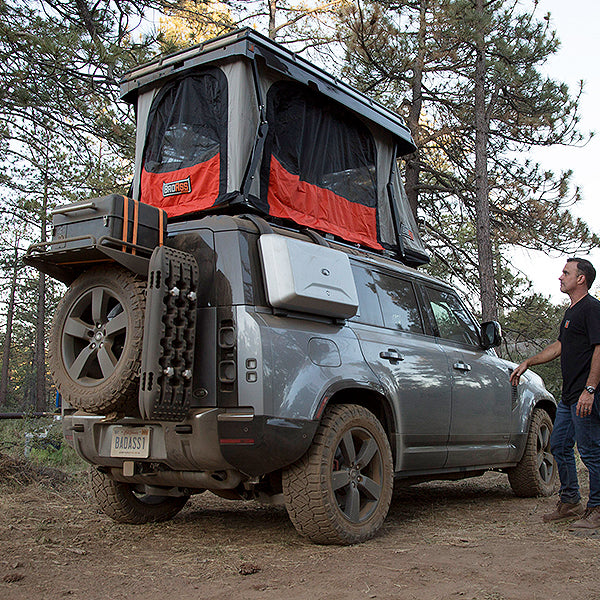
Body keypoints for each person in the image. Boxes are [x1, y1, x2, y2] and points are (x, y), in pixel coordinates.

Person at [511, 257, 600, 529]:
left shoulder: (592, 308)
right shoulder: (571, 312)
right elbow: (559, 346)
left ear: (581, 278)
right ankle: (571, 501)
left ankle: (597, 509)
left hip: (586, 395)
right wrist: (528, 362)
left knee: (591, 451)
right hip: (569, 396)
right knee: (559, 444)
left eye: (566, 273)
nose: (560, 277)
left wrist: (590, 389)